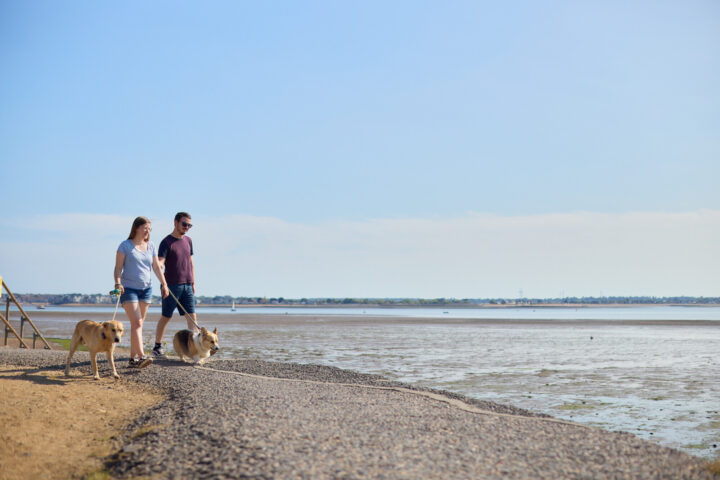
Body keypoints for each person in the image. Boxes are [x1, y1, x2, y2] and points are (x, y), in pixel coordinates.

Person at [114, 216, 169, 368]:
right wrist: (117, 283)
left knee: (137, 324)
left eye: (149, 229)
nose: (147, 231)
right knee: (137, 322)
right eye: (145, 228)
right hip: (128, 288)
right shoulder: (125, 246)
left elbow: (156, 267)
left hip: (146, 289)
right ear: (136, 228)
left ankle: (132, 359)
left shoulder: (150, 245)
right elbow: (118, 267)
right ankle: (142, 355)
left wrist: (164, 284)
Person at [153, 212, 197, 357]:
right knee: (166, 317)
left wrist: (193, 282)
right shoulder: (166, 242)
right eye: (184, 224)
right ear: (175, 222)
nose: (187, 227)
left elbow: (190, 262)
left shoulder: (188, 241)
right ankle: (157, 347)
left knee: (192, 317)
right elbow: (161, 261)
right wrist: (157, 264)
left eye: (189, 225)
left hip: (187, 285)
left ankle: (195, 348)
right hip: (171, 285)